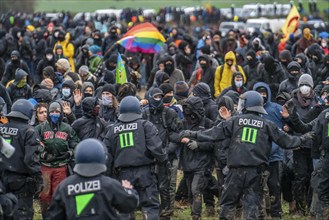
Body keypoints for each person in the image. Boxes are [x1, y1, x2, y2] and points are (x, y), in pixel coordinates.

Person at [180, 91, 313, 219]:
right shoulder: (267, 124)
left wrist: (193, 134)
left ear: (246, 104)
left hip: (234, 172)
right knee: (252, 209)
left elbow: (213, 133)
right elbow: (286, 141)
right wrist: (303, 138)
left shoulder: (234, 121)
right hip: (256, 173)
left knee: (227, 206)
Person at [104, 96, 168, 220]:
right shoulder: (145, 125)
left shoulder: (112, 130)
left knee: (124, 208)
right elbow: (157, 149)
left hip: (123, 175)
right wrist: (164, 163)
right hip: (145, 173)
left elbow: (107, 155)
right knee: (150, 206)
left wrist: (109, 177)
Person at [48, 138, 139, 219]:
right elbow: (130, 205)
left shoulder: (64, 187)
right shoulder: (109, 185)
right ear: (103, 158)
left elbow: (53, 216)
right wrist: (128, 191)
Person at [0, 99, 43, 220]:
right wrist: (39, 179)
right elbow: (30, 160)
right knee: (22, 214)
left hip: (2, 179)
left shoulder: (1, 128)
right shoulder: (29, 131)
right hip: (21, 182)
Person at [36, 101, 80, 219]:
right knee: (45, 195)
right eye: (52, 112)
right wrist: (43, 154)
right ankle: (46, 216)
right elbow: (34, 144)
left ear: (61, 113)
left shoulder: (67, 128)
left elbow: (76, 144)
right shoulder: (40, 128)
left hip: (61, 166)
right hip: (45, 167)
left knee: (58, 194)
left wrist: (69, 153)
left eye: (57, 112)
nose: (54, 114)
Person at [143, 88, 182, 218]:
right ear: (149, 97)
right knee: (150, 188)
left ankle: (166, 213)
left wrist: (167, 151)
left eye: (160, 96)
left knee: (164, 188)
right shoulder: (144, 114)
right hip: (148, 158)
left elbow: (178, 133)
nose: (158, 99)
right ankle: (153, 213)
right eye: (155, 97)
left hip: (166, 157)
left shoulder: (170, 113)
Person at [179, 96, 215, 220]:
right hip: (187, 164)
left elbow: (213, 144)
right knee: (192, 191)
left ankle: (196, 216)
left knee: (196, 190)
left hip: (203, 163)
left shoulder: (208, 124)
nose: (189, 116)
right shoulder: (183, 123)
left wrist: (198, 145)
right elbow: (175, 136)